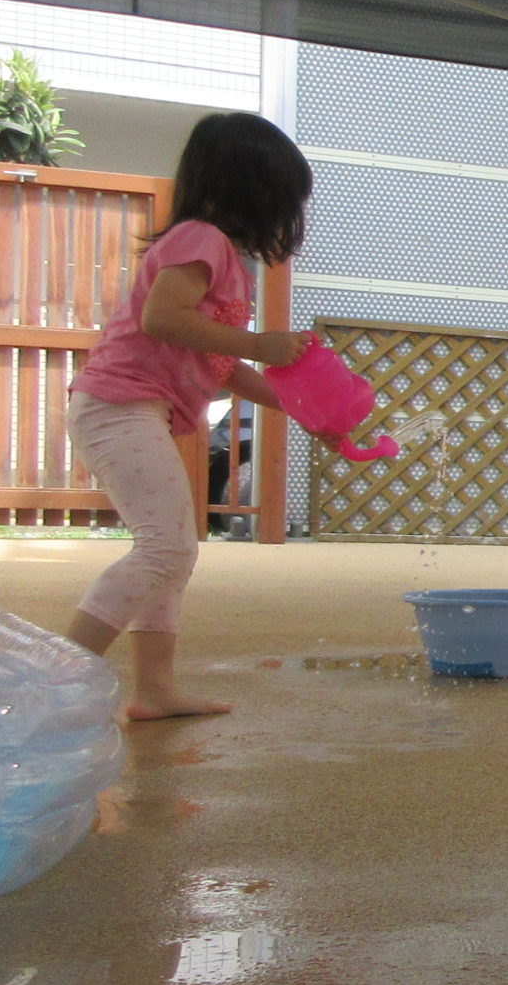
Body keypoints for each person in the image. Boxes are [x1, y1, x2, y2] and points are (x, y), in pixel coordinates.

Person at [64, 112, 341, 719]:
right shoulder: (200, 239)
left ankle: (154, 689)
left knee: (174, 548)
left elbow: (219, 363)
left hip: (137, 408)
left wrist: (306, 411)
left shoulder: (228, 264)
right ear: (251, 190)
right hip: (118, 404)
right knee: (165, 546)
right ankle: (59, 680)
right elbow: (163, 320)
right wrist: (262, 344)